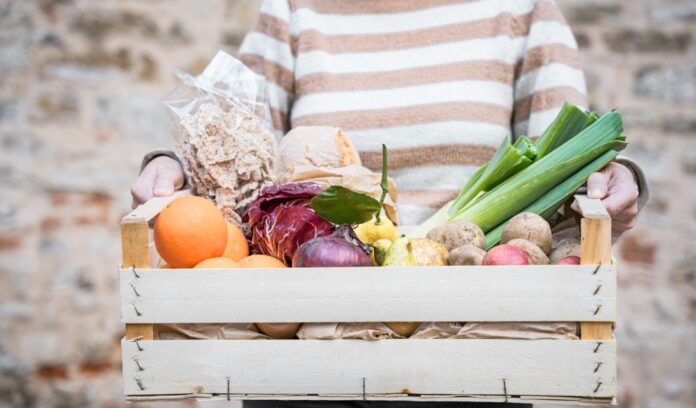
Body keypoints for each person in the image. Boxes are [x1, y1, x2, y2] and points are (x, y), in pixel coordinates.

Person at [131, 1, 646, 406]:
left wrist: (614, 179)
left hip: (472, 350)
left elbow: (564, 169)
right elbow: (228, 138)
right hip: (308, 354)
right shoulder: (295, 10)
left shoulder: (521, 11)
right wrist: (173, 165)